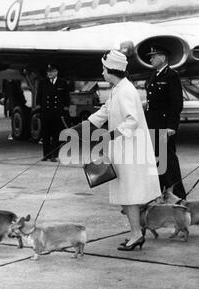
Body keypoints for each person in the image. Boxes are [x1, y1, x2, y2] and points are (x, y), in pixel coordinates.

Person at [87, 50, 161, 251]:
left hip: (131, 151)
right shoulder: (118, 88)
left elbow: (132, 120)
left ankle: (136, 235)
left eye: (103, 69)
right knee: (127, 195)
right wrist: (85, 126)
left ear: (111, 70)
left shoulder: (126, 91)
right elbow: (105, 111)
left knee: (129, 195)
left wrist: (111, 135)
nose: (102, 73)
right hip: (123, 149)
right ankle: (135, 233)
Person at [145, 46, 186, 199]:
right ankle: (161, 194)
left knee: (168, 162)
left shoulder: (171, 76)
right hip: (152, 125)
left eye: (153, 56)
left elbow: (176, 103)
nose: (150, 59)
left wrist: (172, 126)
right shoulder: (153, 75)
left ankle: (179, 196)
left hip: (164, 126)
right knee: (157, 162)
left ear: (162, 58)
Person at [36, 64, 70, 161]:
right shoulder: (43, 83)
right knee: (45, 135)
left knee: (56, 135)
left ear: (56, 72)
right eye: (48, 72)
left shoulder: (62, 83)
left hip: (57, 113)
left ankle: (54, 155)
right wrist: (39, 110)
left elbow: (66, 98)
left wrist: (65, 110)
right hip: (45, 113)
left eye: (51, 72)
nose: (49, 73)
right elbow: (39, 97)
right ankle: (46, 155)